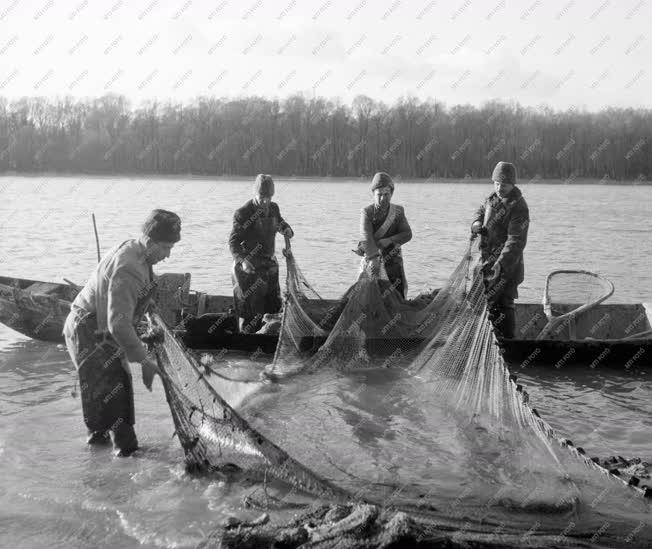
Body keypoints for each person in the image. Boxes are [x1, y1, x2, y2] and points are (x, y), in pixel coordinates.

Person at [63, 209, 181, 457]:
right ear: (149, 242)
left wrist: (147, 309)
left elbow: (135, 296)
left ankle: (98, 460)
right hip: (87, 331)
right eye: (166, 247)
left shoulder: (137, 251)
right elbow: (118, 325)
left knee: (105, 401)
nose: (168, 255)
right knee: (116, 403)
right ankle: (125, 463)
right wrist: (144, 360)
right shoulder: (129, 268)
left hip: (94, 328)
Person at [471, 161, 529, 340]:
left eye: (504, 184)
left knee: (504, 303)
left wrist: (500, 264)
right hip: (486, 261)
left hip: (508, 266)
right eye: (496, 183)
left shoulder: (519, 206)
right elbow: (480, 212)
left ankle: (507, 343)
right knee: (483, 301)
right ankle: (486, 340)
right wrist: (476, 223)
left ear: (513, 184)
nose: (499, 187)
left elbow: (516, 241)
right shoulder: (492, 199)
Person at [229, 174, 293, 333]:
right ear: (255, 193)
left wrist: (287, 229)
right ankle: (247, 342)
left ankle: (268, 342)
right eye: (262, 197)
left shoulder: (274, 208)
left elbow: (280, 223)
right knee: (250, 313)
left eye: (269, 197)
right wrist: (242, 261)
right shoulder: (242, 213)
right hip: (249, 269)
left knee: (273, 309)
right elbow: (233, 243)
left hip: (269, 266)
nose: (266, 201)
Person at [356, 172, 412, 298]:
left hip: (393, 259)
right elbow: (366, 237)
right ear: (373, 194)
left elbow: (407, 234)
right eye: (379, 195)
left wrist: (389, 240)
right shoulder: (367, 212)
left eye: (386, 194)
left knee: (397, 294)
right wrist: (374, 259)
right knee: (368, 295)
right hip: (372, 258)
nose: (382, 198)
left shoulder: (398, 211)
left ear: (391, 194)